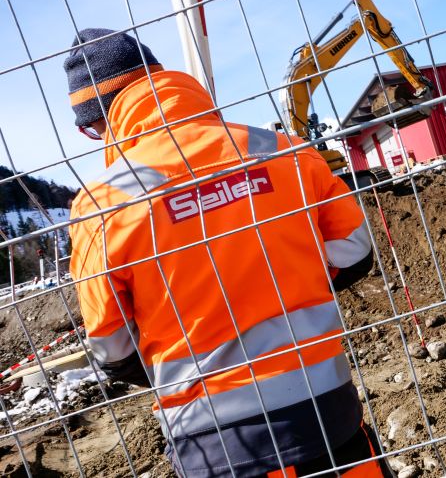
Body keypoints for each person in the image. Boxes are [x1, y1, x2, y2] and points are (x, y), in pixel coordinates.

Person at [65, 28, 389, 477]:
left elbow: (112, 349)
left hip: (213, 445)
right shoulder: (283, 151)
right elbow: (354, 253)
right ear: (163, 80)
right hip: (327, 416)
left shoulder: (101, 206)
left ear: (100, 120)